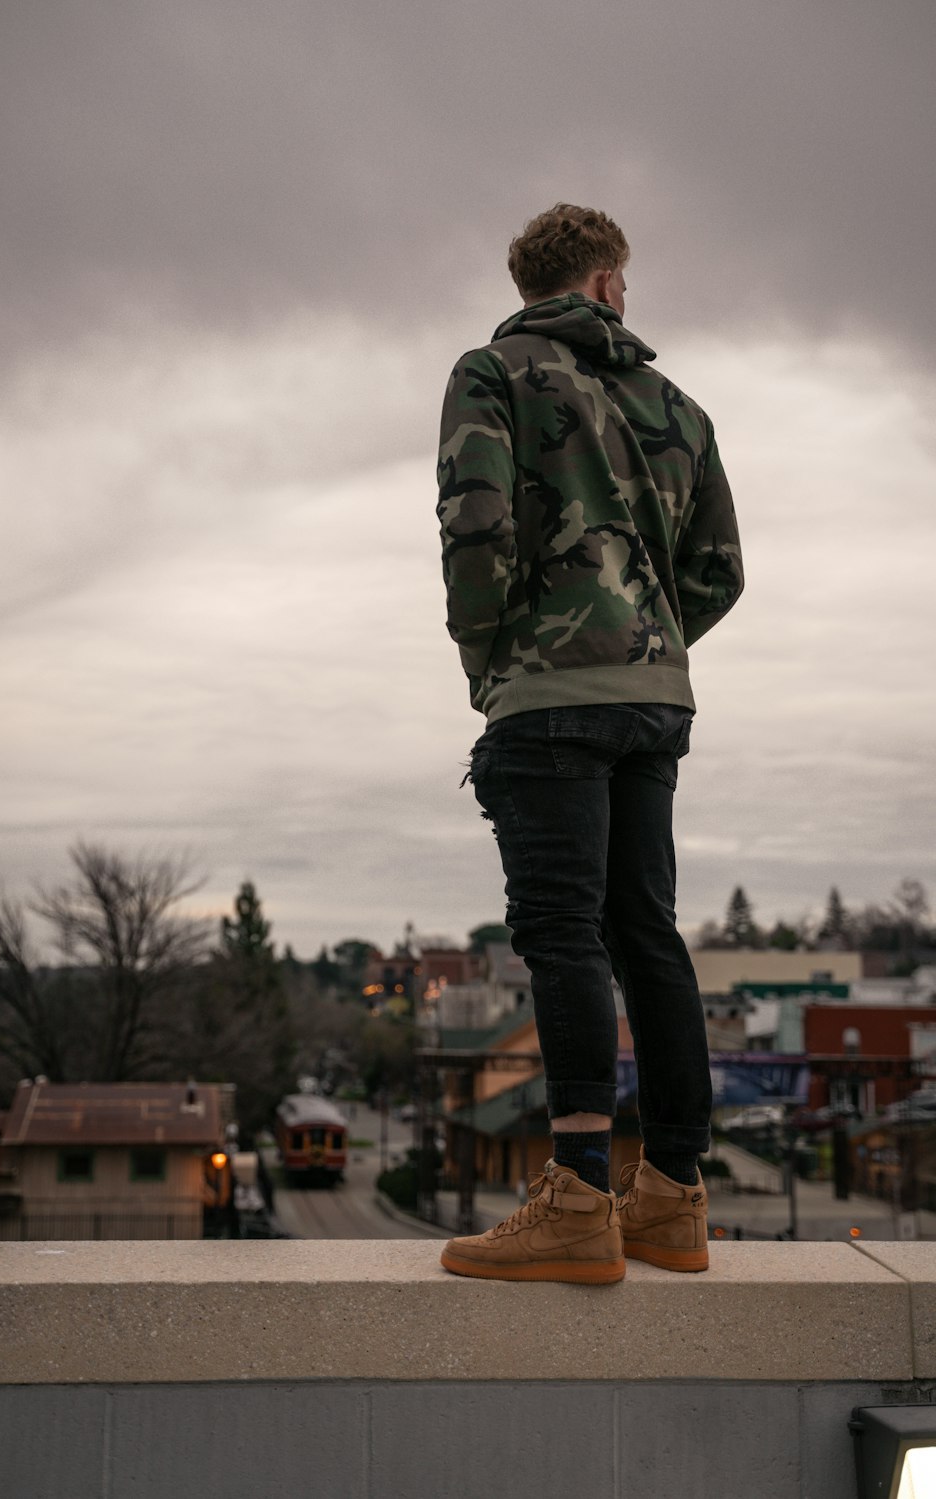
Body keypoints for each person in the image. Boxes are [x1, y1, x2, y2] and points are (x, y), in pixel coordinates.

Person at [436, 204, 743, 1284]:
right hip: (653, 699)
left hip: (548, 696)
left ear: (535, 285)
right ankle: (671, 1194)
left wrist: (494, 658)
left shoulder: (492, 373)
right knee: (643, 930)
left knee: (560, 931)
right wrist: (644, 641)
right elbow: (718, 571)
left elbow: (475, 527)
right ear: (609, 284)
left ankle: (571, 1194)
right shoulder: (679, 406)